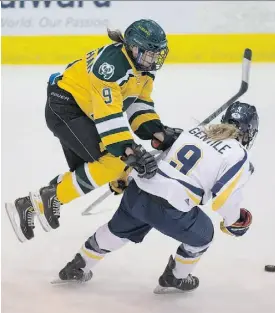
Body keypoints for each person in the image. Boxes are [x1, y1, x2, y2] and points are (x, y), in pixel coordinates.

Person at [5, 19, 180, 243]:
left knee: (113, 167)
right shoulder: (111, 66)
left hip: (84, 113)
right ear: (133, 47)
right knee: (116, 163)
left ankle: (29, 205)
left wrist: (157, 132)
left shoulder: (143, 69)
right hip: (67, 109)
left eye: (157, 53)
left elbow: (138, 103)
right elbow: (109, 116)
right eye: (148, 53)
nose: (153, 59)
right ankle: (51, 197)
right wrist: (128, 150)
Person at [56, 101, 259, 293]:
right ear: (249, 132)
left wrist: (126, 175)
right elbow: (224, 200)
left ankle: (77, 266)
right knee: (203, 236)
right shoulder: (239, 155)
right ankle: (175, 277)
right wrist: (234, 222)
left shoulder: (198, 130)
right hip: (171, 210)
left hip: (138, 192)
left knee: (117, 231)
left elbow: (158, 157)